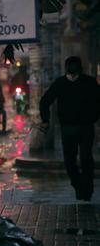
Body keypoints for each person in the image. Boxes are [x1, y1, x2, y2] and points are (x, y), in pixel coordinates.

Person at [39, 56, 100, 201]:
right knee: (69, 162)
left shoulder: (89, 82)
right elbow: (45, 101)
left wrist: (94, 117)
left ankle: (87, 190)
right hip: (68, 128)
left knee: (86, 159)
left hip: (86, 127)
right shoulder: (60, 83)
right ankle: (78, 185)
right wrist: (45, 120)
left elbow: (98, 100)